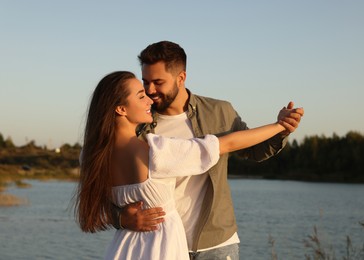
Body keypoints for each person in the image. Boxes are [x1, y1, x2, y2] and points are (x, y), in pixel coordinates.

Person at [114, 41, 304, 259]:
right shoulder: (138, 124)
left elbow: (255, 151)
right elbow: (110, 194)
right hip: (159, 245)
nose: (150, 91)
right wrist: (121, 218)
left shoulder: (219, 111)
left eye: (158, 82)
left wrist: (281, 130)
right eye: (145, 82)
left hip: (217, 243)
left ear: (181, 78)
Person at [74, 70, 292, 259]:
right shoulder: (154, 152)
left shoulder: (91, 156)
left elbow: (95, 211)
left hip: (124, 247)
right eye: (141, 96)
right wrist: (279, 126)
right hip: (161, 247)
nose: (149, 99)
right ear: (121, 109)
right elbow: (228, 143)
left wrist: (121, 218)